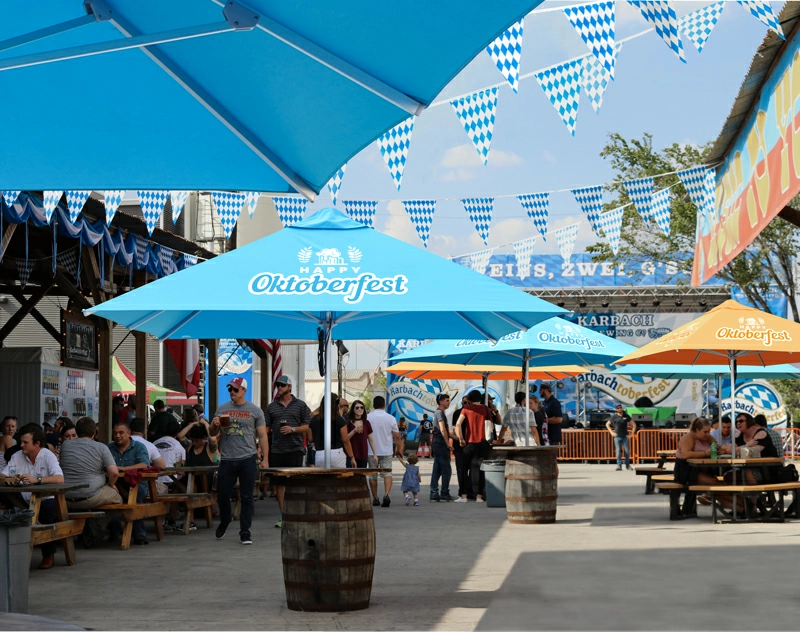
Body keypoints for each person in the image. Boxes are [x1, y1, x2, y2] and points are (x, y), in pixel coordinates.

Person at [210, 376, 269, 543]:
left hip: (247, 458)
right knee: (222, 494)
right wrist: (214, 424)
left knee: (247, 496)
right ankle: (225, 519)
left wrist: (265, 459)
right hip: (227, 458)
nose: (232, 392)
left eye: (235, 389)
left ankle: (245, 531)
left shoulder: (255, 410)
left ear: (244, 390)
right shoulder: (222, 409)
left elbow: (263, 435)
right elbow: (213, 433)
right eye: (230, 389)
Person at [0, 423, 64, 569]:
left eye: (25, 442)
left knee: (45, 513)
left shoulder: (48, 456)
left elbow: (60, 478)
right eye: (21, 441)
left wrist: (39, 480)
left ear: (37, 443)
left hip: (46, 499)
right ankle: (10, 553)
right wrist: (9, 479)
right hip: (23, 500)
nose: (21, 445)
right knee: (9, 509)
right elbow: (2, 474)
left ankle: (48, 554)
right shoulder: (17, 456)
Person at [265, 375, 311, 529]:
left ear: (290, 387)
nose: (279, 388)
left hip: (295, 449)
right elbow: (265, 429)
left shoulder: (301, 405)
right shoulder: (271, 407)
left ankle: (296, 514)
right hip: (277, 450)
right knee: (279, 485)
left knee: (294, 485)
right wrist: (260, 445)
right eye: (278, 385)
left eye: (283, 385)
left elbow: (309, 426)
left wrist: (293, 429)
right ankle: (284, 515)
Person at [60, 417, 122, 511]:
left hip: (66, 498)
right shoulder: (101, 447)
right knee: (118, 499)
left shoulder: (65, 445)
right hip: (90, 497)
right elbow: (114, 472)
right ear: (94, 433)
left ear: (77, 431)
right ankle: (97, 524)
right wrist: (111, 485)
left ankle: (91, 523)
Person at [108, 421, 151, 545]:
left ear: (128, 433)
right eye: (115, 433)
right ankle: (114, 529)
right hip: (114, 484)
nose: (118, 436)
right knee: (104, 498)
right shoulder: (109, 448)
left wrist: (123, 469)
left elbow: (144, 464)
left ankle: (139, 534)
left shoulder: (138, 446)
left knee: (135, 495)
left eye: (121, 433)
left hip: (137, 484)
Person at [454, 390, 492, 503]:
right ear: (480, 398)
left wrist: (461, 438)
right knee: (482, 469)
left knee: (464, 469)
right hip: (483, 443)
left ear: (469, 399)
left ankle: (464, 496)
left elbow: (458, 424)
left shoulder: (466, 409)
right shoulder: (486, 409)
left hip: (469, 443)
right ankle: (479, 496)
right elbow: (491, 426)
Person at [367, 396, 400, 508]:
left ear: (373, 404)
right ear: (384, 405)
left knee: (372, 475)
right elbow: (396, 435)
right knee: (388, 473)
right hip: (386, 450)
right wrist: (399, 448)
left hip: (371, 451)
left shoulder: (368, 418)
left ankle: (375, 498)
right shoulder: (390, 418)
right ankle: (386, 494)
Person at [154, 419, 187, 531]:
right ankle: (169, 520)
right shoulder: (180, 448)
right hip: (170, 481)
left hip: (153, 480)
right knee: (178, 488)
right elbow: (180, 470)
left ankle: (162, 520)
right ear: (177, 433)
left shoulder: (153, 444)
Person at [308, 393, 354, 468]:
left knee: (323, 478)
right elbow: (345, 440)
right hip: (336, 452)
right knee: (338, 478)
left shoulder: (313, 420)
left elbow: (310, 439)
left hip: (320, 453)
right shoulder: (339, 420)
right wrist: (352, 457)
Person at [735, 413, 779, 484]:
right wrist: (747, 445)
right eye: (737, 422)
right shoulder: (738, 435)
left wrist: (740, 449)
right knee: (730, 474)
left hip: (767, 470)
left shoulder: (761, 433)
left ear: (749, 422)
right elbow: (729, 450)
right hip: (749, 467)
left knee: (746, 472)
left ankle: (753, 494)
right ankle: (735, 495)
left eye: (741, 421)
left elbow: (749, 453)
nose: (738, 423)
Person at [674, 417, 717, 488]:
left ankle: (735, 498)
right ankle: (736, 499)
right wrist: (705, 453)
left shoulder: (707, 437)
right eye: (705, 432)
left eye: (709, 432)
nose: (707, 434)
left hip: (702, 469)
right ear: (697, 430)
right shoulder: (688, 437)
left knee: (722, 481)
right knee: (714, 482)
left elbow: (717, 446)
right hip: (686, 470)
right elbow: (685, 454)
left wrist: (722, 449)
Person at [430, 393, 456, 502]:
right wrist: (448, 444)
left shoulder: (439, 413)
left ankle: (434, 493)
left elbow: (446, 431)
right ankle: (444, 492)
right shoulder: (440, 413)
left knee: (437, 469)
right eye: (446, 400)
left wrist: (458, 438)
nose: (448, 402)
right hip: (441, 443)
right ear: (441, 402)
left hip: (437, 443)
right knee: (446, 470)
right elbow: (442, 430)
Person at [451, 397, 473, 500]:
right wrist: (460, 439)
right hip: (460, 445)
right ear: (462, 402)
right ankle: (462, 491)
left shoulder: (472, 412)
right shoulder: (457, 413)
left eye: (469, 402)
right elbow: (456, 426)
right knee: (461, 469)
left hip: (470, 444)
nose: (466, 404)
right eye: (465, 402)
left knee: (470, 469)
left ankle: (469, 491)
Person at [346, 400, 378, 468]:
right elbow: (345, 438)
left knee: (361, 476)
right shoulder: (348, 423)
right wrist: (354, 430)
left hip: (363, 454)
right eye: (357, 408)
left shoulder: (366, 423)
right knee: (350, 476)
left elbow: (371, 439)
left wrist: (375, 454)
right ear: (353, 410)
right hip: (350, 455)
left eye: (362, 407)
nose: (360, 409)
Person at [606, 404, 636, 471]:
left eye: (620, 408)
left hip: (625, 436)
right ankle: (619, 465)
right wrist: (611, 432)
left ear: (622, 408)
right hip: (617, 436)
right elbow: (607, 424)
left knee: (626, 451)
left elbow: (634, 424)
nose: (619, 409)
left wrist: (631, 434)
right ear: (616, 409)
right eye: (618, 408)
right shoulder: (614, 416)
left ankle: (627, 465)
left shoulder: (626, 416)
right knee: (618, 451)